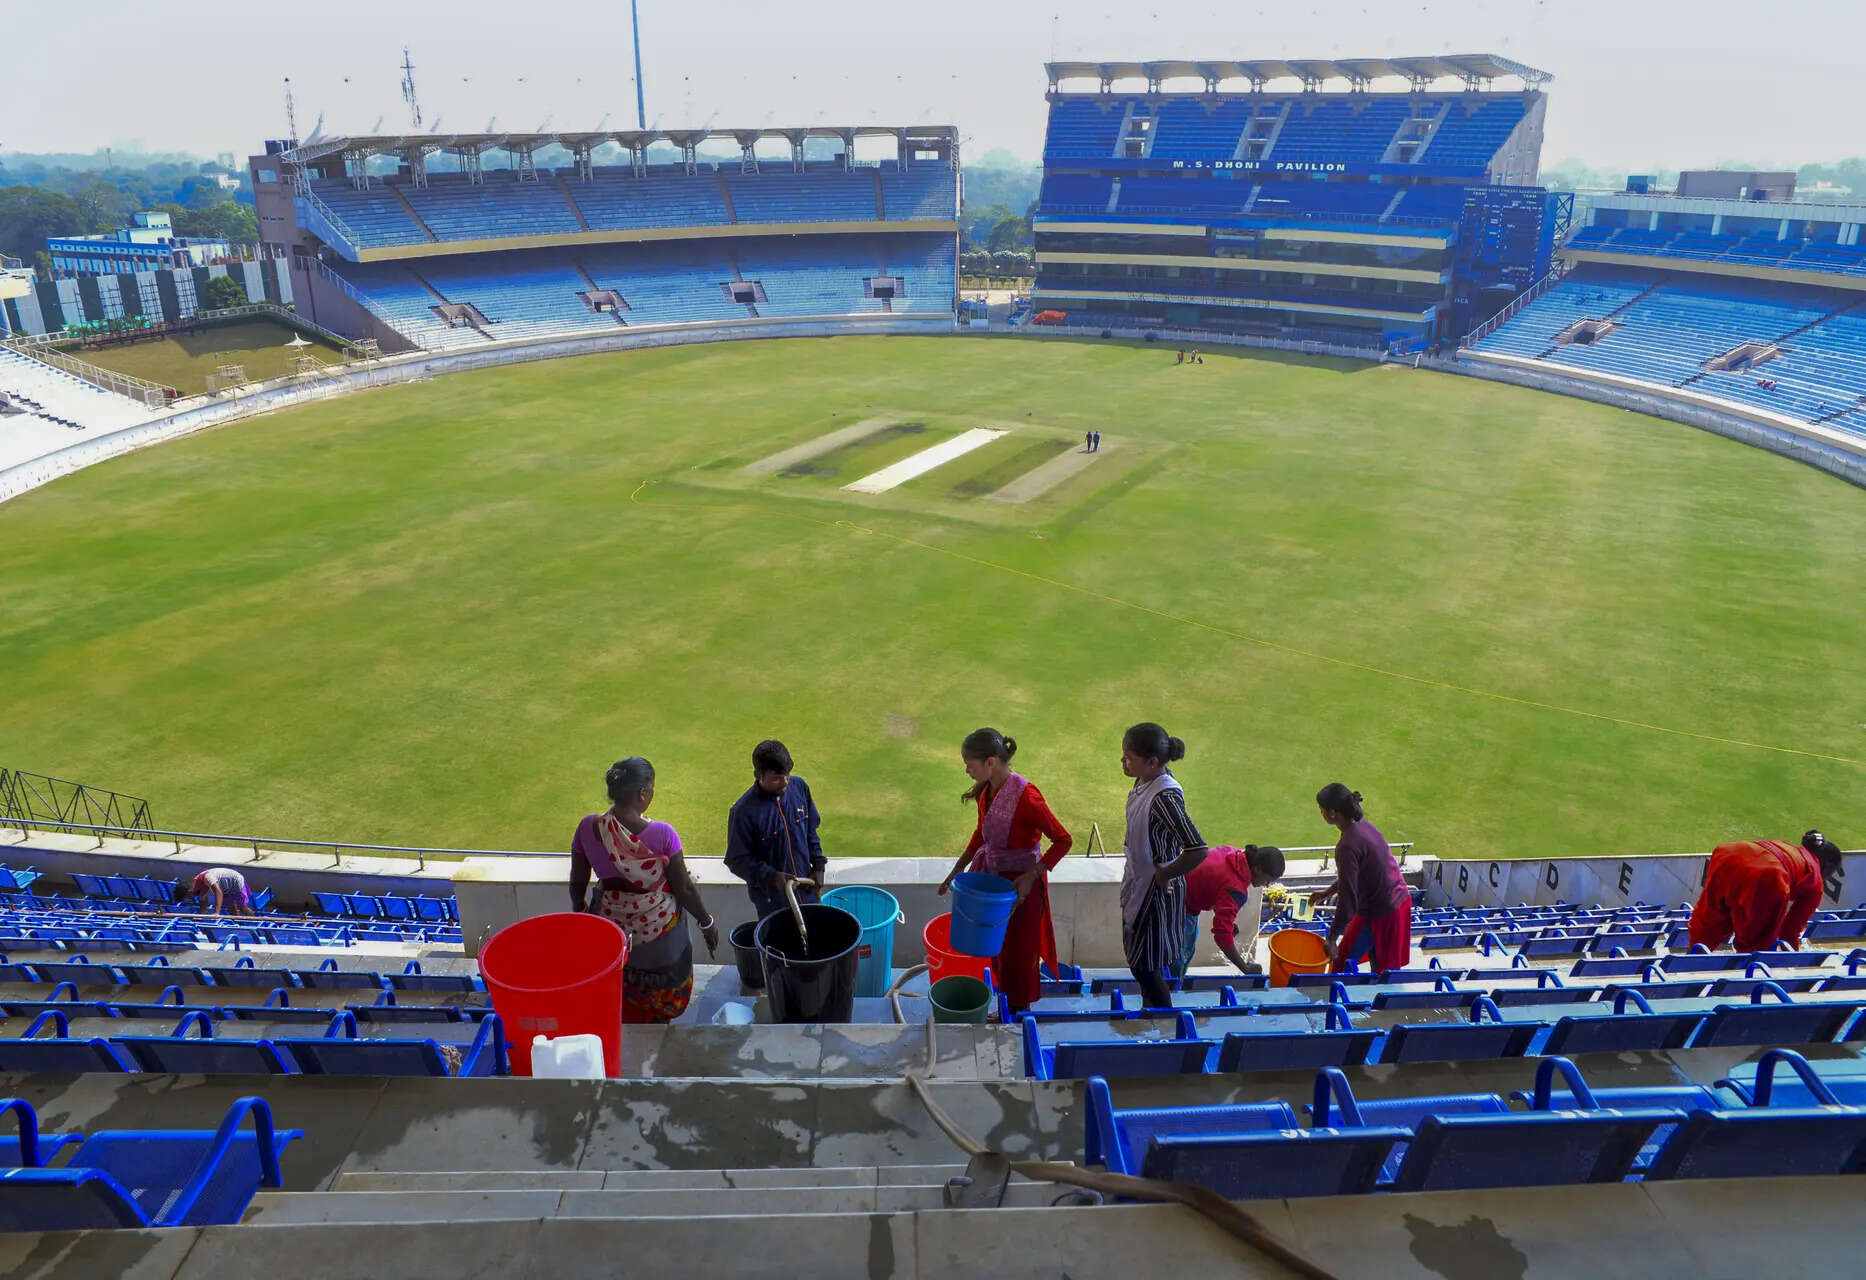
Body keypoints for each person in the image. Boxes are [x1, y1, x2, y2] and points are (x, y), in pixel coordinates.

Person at [570, 756, 718, 1023]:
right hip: (659, 930)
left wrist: (582, 913)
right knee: (665, 982)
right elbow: (683, 888)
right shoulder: (663, 834)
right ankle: (658, 1020)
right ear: (642, 793)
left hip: (612, 928)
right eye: (651, 789)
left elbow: (577, 881)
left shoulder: (587, 827)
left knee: (623, 979)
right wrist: (707, 923)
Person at [936, 728, 1074, 1014]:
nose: (966, 771)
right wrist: (956, 870)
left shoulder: (1028, 798)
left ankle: (1020, 1015)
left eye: (969, 765)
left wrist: (1031, 875)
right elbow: (981, 834)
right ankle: (1007, 1008)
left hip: (1021, 888)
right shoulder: (988, 791)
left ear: (990, 762)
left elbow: (1063, 840)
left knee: (1019, 956)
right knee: (997, 950)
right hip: (995, 882)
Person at [1120, 722, 1209, 1009]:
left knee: (1145, 966)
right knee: (1140, 960)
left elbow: (1198, 848)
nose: (1123, 761)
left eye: (1129, 757)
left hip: (1155, 890)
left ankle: (1161, 1022)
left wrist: (1165, 873)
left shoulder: (1165, 797)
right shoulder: (1146, 780)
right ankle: (1153, 1013)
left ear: (1152, 762)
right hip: (1141, 879)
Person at [1689, 830, 1844, 952]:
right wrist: (1791, 961)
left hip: (1729, 854)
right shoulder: (1815, 881)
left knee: (1709, 920)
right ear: (1828, 867)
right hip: (1768, 874)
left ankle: (1690, 960)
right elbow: (1789, 931)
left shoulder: (1790, 848)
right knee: (1757, 944)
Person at [725, 739, 828, 921]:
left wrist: (819, 866)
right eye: (776, 778)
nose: (785, 782)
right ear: (758, 775)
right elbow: (736, 860)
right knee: (783, 948)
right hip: (773, 904)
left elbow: (811, 830)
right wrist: (771, 877)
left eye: (787, 775)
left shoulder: (800, 787)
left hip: (808, 892)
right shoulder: (743, 812)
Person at [1317, 783, 1411, 973]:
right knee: (1381, 964)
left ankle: (1338, 1001)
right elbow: (1356, 876)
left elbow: (1348, 899)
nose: (1321, 813)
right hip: (1397, 901)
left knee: (1341, 965)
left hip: (1382, 912)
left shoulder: (1347, 846)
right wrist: (1326, 893)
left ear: (1333, 813)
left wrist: (1332, 937)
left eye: (1322, 810)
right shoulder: (1364, 827)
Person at [1174, 844, 1285, 978]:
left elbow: (1216, 884)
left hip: (1174, 888)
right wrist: (1245, 968)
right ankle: (1171, 990)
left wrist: (1228, 925)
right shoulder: (1236, 890)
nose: (1266, 885)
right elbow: (1222, 936)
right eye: (1267, 880)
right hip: (1177, 907)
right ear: (1257, 869)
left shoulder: (1232, 852)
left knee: (1186, 949)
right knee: (1179, 958)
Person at [187, 867, 253, 916]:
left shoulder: (207, 877)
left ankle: (254, 920)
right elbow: (203, 901)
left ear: (189, 891)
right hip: (225, 887)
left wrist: (216, 913)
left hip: (236, 881)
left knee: (242, 908)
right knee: (230, 908)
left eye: (189, 896)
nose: (192, 897)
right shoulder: (196, 884)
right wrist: (201, 915)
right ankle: (238, 923)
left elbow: (218, 892)